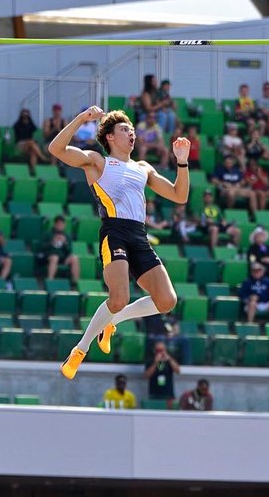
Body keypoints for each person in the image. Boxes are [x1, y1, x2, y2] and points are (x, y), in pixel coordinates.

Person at [50, 106, 190, 380]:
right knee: (118, 298)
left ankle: (111, 323)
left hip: (139, 234)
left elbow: (179, 195)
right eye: (125, 129)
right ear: (110, 137)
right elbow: (56, 149)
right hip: (114, 231)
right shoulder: (97, 162)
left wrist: (182, 162)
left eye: (132, 129)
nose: (131, 133)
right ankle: (80, 348)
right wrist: (80, 119)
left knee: (167, 300)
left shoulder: (142, 168)